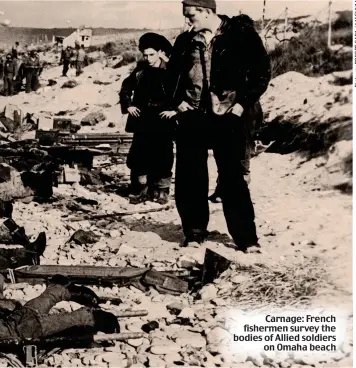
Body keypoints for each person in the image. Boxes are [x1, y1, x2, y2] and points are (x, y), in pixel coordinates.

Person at [167, 0, 271, 252]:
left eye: (191, 16)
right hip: (192, 117)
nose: (188, 21)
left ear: (206, 12)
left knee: (232, 177)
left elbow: (261, 73)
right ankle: (193, 232)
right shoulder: (184, 41)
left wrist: (242, 105)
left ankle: (246, 238)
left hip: (228, 116)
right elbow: (170, 76)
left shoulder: (241, 35)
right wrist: (177, 101)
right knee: (190, 176)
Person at [119, 33, 177, 205]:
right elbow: (125, 88)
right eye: (145, 55)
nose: (148, 58)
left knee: (163, 155)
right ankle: (140, 189)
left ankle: (161, 190)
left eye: (151, 54)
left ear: (160, 52)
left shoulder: (171, 70)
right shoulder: (140, 70)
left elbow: (181, 92)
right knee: (140, 154)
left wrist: (174, 110)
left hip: (162, 120)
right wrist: (128, 105)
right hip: (143, 119)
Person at [0, 274, 119, 340]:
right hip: (18, 319)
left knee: (70, 318)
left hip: (17, 326)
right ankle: (62, 288)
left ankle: (92, 316)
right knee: (45, 301)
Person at [209, 100, 264, 203]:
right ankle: (222, 188)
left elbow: (258, 85)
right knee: (221, 149)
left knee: (242, 151)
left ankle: (241, 191)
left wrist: (243, 103)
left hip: (244, 108)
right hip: (221, 106)